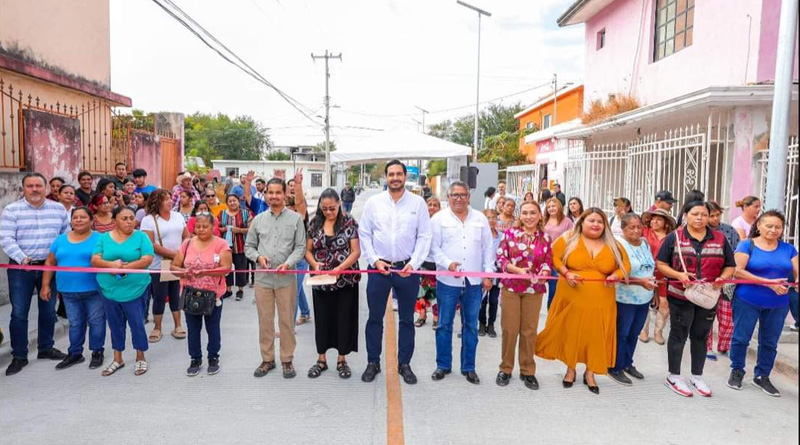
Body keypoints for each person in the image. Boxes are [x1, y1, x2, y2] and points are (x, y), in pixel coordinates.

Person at [536, 208, 631, 395]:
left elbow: (625, 264)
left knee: (595, 335)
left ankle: (590, 373)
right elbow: (553, 256)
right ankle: (570, 370)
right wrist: (566, 272)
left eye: (600, 221)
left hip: (602, 300)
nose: (596, 224)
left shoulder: (613, 243)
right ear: (582, 222)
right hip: (572, 296)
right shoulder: (569, 238)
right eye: (592, 220)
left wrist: (616, 275)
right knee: (572, 332)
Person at [358, 159, 432, 385]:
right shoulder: (374, 203)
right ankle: (373, 362)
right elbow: (365, 234)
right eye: (391, 174)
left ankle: (404, 364)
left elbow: (424, 236)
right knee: (374, 318)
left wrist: (415, 263)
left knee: (407, 319)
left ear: (404, 177)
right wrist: (374, 260)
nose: (395, 178)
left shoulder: (418, 203)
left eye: (399, 174)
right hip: (379, 269)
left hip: (407, 269)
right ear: (386, 177)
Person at [656, 201, 735, 398]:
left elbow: (730, 265)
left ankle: (697, 376)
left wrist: (723, 278)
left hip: (708, 296)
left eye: (703, 214)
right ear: (686, 215)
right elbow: (661, 263)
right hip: (680, 295)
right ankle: (673, 376)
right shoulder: (674, 237)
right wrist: (678, 274)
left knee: (700, 336)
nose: (699, 218)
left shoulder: (720, 238)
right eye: (695, 214)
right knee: (679, 334)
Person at [1, 173, 70, 375]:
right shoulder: (12, 210)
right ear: (23, 188)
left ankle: (46, 348)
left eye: (38, 185)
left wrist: (59, 259)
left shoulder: (58, 209)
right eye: (30, 186)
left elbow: (65, 236)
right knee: (19, 312)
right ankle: (20, 355)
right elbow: (6, 239)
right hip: (21, 268)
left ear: (46, 188)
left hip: (49, 267)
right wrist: (23, 258)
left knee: (48, 310)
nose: (34, 189)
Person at [429, 181, 494, 385]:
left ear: (468, 197)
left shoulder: (480, 218)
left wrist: (488, 274)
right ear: (448, 197)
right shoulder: (439, 219)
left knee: (471, 325)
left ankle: (469, 367)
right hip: (447, 281)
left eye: (462, 194)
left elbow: (488, 248)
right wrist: (448, 263)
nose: (459, 198)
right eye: (454, 195)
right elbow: (433, 248)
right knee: (444, 324)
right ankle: (443, 365)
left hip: (474, 282)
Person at [727, 211, 798, 397]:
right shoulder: (746, 245)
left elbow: (797, 273)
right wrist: (768, 283)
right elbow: (738, 272)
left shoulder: (789, 249)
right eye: (769, 225)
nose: (773, 230)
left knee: (769, 342)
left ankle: (762, 376)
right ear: (759, 226)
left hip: (779, 303)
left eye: (778, 227)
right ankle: (737, 371)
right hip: (748, 299)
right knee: (741, 337)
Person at [245, 177, 306, 379]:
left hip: (286, 279)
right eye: (270, 193)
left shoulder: (295, 219)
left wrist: (288, 263)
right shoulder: (258, 220)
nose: (274, 196)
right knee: (265, 321)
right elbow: (248, 247)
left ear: (284, 194)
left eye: (278, 192)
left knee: (287, 321)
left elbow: (300, 247)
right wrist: (258, 257)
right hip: (263, 280)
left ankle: (287, 359)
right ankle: (267, 359)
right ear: (265, 195)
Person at [496, 201, 553, 389]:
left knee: (529, 331)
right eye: (525, 213)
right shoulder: (510, 234)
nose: (529, 217)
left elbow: (548, 262)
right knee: (509, 329)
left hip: (534, 291)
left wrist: (544, 273)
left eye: (533, 213)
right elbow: (501, 258)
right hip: (511, 288)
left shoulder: (545, 238)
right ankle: (505, 368)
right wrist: (516, 270)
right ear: (520, 216)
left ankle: (527, 370)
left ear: (539, 216)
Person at [305, 188, 362, 379]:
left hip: (344, 280)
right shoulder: (315, 223)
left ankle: (341, 359)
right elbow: (308, 250)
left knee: (343, 319)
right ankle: (321, 359)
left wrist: (341, 268)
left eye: (332, 208)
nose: (328, 212)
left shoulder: (349, 222)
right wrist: (314, 264)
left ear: (339, 204)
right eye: (325, 209)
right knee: (323, 320)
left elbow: (356, 251)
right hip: (322, 281)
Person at [91, 206, 153, 376]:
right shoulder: (104, 238)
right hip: (109, 289)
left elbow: (147, 259)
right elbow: (95, 259)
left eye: (131, 218)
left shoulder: (141, 237)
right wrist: (111, 265)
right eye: (124, 218)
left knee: (137, 323)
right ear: (115, 220)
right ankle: (118, 358)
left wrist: (124, 268)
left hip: (136, 289)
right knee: (115, 324)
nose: (128, 222)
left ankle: (140, 356)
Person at [41, 207, 105, 370]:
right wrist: (45, 285)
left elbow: (109, 260)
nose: (78, 220)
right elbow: (50, 262)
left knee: (96, 322)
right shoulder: (60, 240)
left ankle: (97, 352)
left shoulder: (101, 239)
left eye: (83, 217)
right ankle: (75, 353)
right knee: (75, 323)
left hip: (94, 290)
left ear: (91, 221)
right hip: (67, 291)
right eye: (75, 217)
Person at [171, 212, 232, 377]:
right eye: (198, 226)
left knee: (213, 328)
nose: (201, 229)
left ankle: (213, 358)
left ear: (213, 227)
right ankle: (195, 359)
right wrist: (184, 271)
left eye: (205, 226)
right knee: (193, 329)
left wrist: (207, 271)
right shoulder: (187, 243)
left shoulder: (221, 244)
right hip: (190, 294)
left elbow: (226, 268)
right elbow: (174, 266)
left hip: (213, 295)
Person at [607, 213, 656, 386]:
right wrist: (640, 282)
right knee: (622, 333)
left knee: (634, 332)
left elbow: (650, 268)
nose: (636, 230)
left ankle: (628, 363)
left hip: (644, 297)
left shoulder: (645, 243)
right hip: (624, 297)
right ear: (623, 228)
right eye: (631, 227)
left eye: (639, 226)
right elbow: (615, 273)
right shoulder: (618, 244)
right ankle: (614, 367)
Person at [141, 189, 189, 342]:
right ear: (157, 202)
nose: (170, 201)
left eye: (170, 198)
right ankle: (157, 327)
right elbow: (151, 244)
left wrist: (181, 252)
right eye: (165, 199)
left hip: (176, 263)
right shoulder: (148, 220)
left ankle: (178, 325)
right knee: (160, 296)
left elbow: (186, 235)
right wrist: (174, 254)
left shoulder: (178, 216)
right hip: (159, 264)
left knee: (175, 293)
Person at [706, 201, 741, 360]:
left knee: (727, 318)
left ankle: (724, 346)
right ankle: (706, 348)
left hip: (727, 281)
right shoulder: (700, 231)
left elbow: (737, 253)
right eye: (711, 216)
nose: (715, 219)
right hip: (706, 281)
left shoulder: (729, 231)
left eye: (717, 215)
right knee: (706, 316)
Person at [639, 208, 677, 345]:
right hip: (646, 272)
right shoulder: (644, 232)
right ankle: (644, 330)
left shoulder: (672, 236)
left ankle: (658, 331)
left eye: (659, 219)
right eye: (653, 218)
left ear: (666, 222)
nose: (654, 221)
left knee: (664, 303)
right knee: (644, 301)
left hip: (664, 273)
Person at [219, 194, 252, 301]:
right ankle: (228, 290)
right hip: (225, 247)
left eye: (234, 200)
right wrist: (223, 229)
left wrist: (239, 230)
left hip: (240, 245)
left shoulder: (246, 213)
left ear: (238, 201)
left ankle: (240, 290)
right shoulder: (221, 214)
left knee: (240, 268)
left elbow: (251, 229)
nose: (232, 203)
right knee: (226, 268)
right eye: (230, 201)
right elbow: (215, 227)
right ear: (227, 203)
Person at [543, 197, 574, 308]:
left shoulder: (567, 221)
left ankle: (551, 309)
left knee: (554, 287)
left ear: (559, 207)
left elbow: (572, 238)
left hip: (559, 258)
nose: (551, 208)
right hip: (544, 257)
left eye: (553, 206)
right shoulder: (543, 220)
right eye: (549, 207)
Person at [415, 197, 441, 328]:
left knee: (435, 293)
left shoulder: (442, 223)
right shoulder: (421, 222)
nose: (432, 207)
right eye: (429, 205)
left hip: (437, 264)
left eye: (435, 205)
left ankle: (436, 318)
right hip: (422, 263)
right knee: (421, 292)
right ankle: (422, 315)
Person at [286, 195, 311, 323]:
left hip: (300, 260)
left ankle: (289, 326)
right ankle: (305, 312)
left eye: (287, 207)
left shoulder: (300, 219)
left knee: (293, 292)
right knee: (298, 289)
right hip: (289, 260)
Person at [479, 208, 502, 338]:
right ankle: (481, 324)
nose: (491, 220)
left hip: (496, 273)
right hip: (482, 271)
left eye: (494, 218)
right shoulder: (480, 236)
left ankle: (491, 324)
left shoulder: (502, 236)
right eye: (488, 218)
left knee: (493, 300)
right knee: (482, 300)